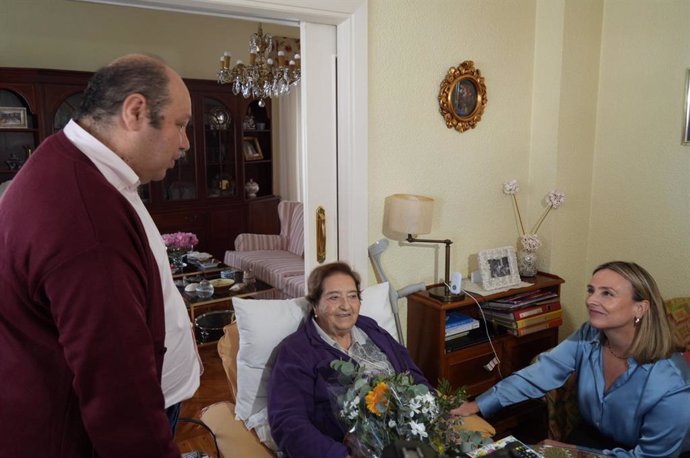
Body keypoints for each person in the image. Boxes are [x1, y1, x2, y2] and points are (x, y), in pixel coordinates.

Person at [0, 54, 201, 456]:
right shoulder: (85, 217)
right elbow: (117, 389)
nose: (185, 142)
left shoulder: (82, 166)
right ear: (136, 111)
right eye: (180, 124)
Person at [452, 261, 690, 457]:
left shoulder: (672, 382)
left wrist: (578, 453)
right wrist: (478, 404)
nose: (591, 300)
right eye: (591, 290)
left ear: (640, 308)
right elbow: (540, 374)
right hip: (591, 437)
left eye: (607, 293)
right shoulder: (589, 335)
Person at [267, 262, 432, 458]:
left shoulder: (370, 328)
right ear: (315, 305)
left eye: (352, 296)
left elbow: (410, 372)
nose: (346, 306)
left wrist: (431, 407)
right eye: (334, 297)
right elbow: (288, 422)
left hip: (407, 439)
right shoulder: (296, 351)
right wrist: (339, 455)